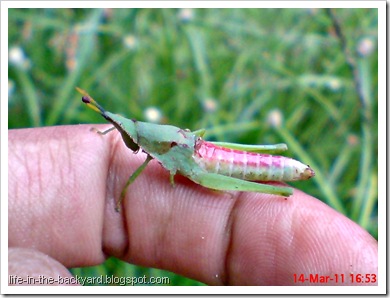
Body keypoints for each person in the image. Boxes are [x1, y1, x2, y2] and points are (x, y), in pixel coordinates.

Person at [8, 125, 378, 286]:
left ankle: (285, 176)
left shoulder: (155, 152)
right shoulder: (146, 140)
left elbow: (138, 168)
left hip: (212, 163)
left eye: (130, 136)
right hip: (192, 151)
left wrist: (120, 195)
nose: (129, 141)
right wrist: (111, 127)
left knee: (264, 188)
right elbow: (131, 138)